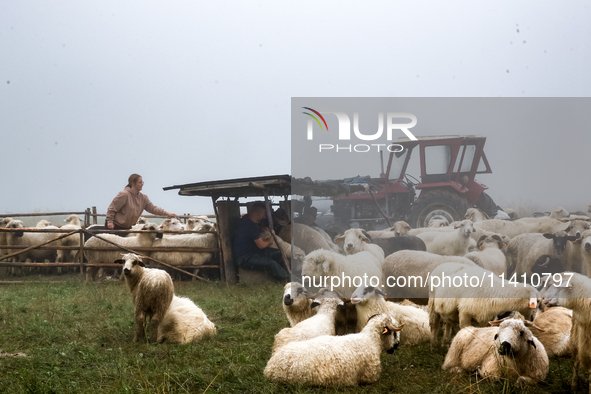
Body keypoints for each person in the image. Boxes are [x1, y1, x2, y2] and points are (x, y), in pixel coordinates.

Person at [232, 202, 289, 281]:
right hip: (245, 258)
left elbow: (249, 233)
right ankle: (285, 279)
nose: (263, 216)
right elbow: (261, 245)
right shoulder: (250, 226)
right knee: (271, 263)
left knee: (279, 253)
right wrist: (269, 240)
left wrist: (259, 229)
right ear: (259, 213)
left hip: (253, 252)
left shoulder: (246, 220)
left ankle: (286, 273)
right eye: (263, 214)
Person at [106, 174, 177, 230]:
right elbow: (112, 208)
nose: (142, 184)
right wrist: (110, 222)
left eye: (142, 182)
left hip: (128, 228)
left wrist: (167, 214)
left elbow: (153, 209)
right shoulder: (124, 195)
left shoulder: (143, 198)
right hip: (115, 227)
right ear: (133, 184)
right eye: (140, 182)